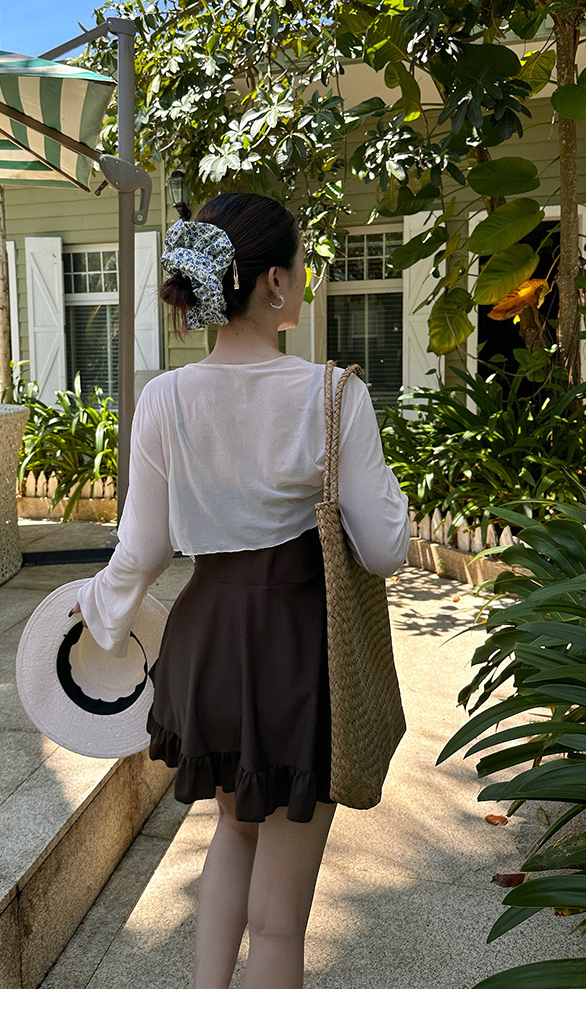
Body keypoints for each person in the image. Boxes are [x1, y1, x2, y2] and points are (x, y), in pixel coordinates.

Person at [71, 192, 410, 989]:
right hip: (297, 658)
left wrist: (98, 618)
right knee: (280, 917)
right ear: (276, 283)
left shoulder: (164, 398)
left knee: (232, 829)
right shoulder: (332, 395)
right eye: (302, 267)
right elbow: (385, 548)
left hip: (207, 653)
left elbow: (142, 548)